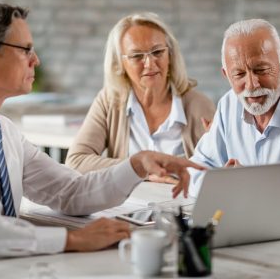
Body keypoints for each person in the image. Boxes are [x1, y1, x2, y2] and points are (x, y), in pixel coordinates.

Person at [0, 1, 204, 258]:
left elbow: (72, 192)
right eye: (26, 49)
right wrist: (72, 239)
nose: (36, 60)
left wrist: (138, 165)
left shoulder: (6, 133)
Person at [65, 12, 215, 183]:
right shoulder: (110, 100)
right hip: (128, 206)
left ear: (170, 56)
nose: (150, 64)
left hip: (183, 206)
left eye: (157, 52)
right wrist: (142, 168)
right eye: (136, 56)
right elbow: (76, 161)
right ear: (119, 64)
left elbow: (217, 169)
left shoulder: (199, 105)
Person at [188, 18, 280, 196]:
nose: (252, 85)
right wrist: (221, 181)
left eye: (261, 70)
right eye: (239, 74)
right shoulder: (228, 105)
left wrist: (252, 185)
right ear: (226, 75)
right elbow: (194, 172)